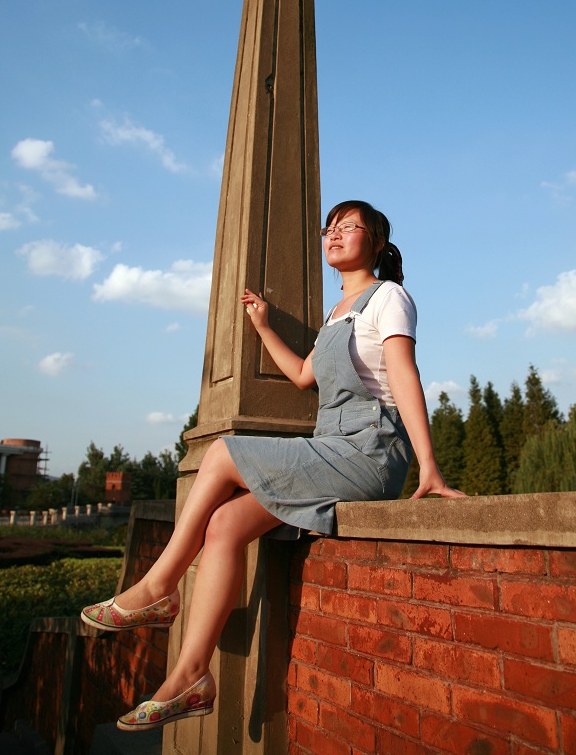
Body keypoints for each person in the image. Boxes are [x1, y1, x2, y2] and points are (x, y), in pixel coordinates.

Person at [81, 200, 465, 731]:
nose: (333, 235)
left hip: (369, 450)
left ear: (375, 241)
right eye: (328, 228)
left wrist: (428, 466)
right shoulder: (338, 313)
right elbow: (306, 376)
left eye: (348, 227)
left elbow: (403, 374)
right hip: (332, 446)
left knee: (221, 452)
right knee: (225, 525)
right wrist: (262, 326)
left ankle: (158, 587)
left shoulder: (389, 298)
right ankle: (191, 677)